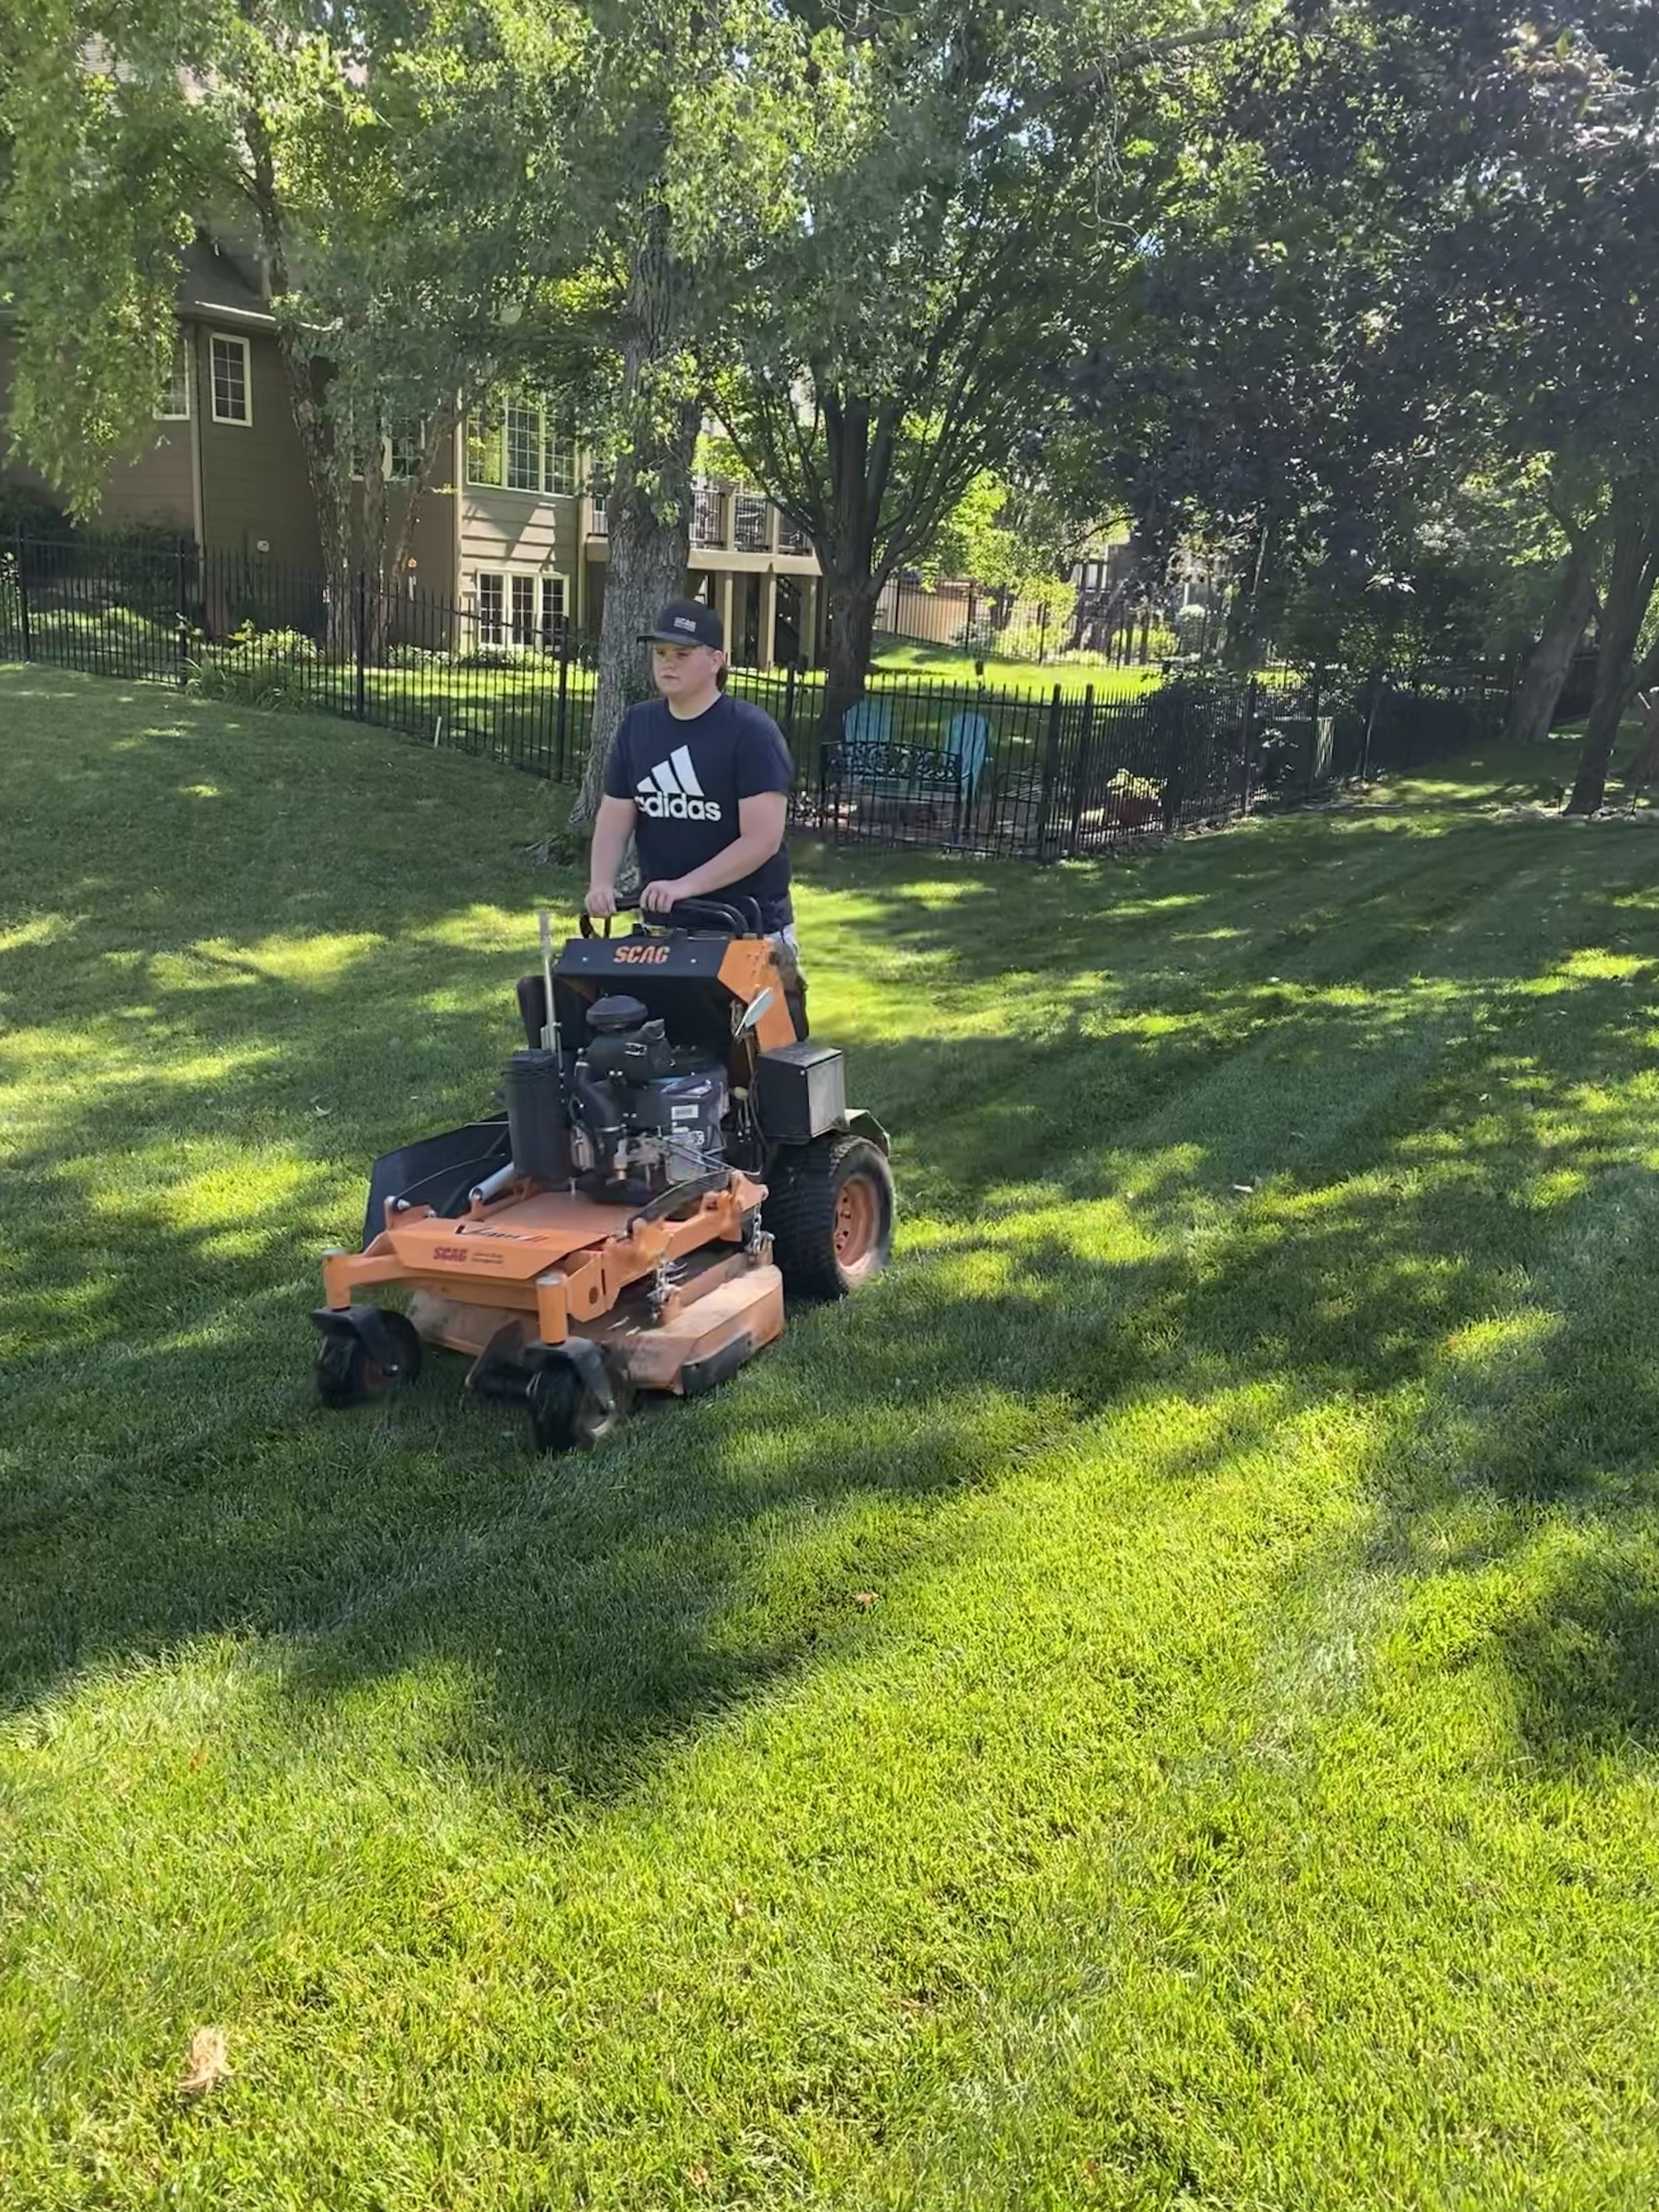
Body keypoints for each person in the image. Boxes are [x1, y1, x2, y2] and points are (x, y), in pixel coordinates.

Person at [586, 596, 807, 1029]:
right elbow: (615, 816)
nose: (668, 664)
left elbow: (762, 840)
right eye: (661, 653)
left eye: (682, 654)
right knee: (667, 1060)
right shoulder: (637, 726)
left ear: (716, 661)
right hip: (663, 935)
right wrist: (601, 883)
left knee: (772, 1063)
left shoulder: (751, 732)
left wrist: (685, 886)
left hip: (751, 928)